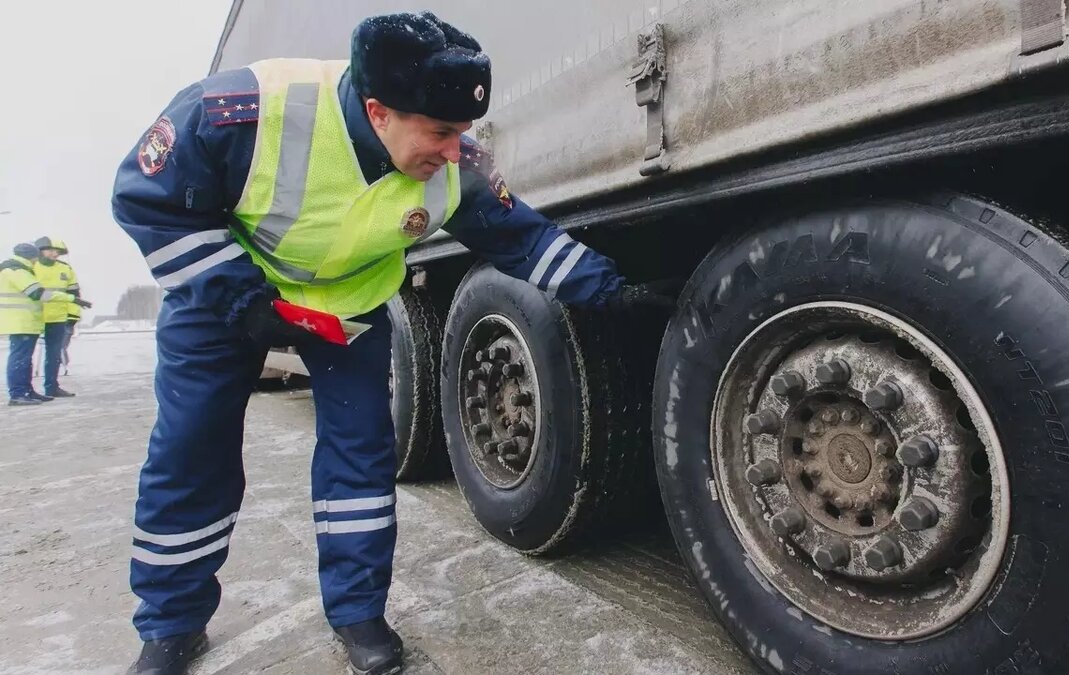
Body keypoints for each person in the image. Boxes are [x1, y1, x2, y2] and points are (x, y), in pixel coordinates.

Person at [112, 12, 671, 675]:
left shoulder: (456, 163)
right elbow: (146, 199)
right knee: (190, 451)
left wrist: (616, 294)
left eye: (462, 132)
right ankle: (172, 624)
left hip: (345, 314)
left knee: (361, 460)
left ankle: (357, 611)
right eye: (440, 132)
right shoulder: (242, 114)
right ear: (378, 111)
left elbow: (524, 240)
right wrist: (244, 303)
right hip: (226, 301)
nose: (455, 149)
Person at [1, 243, 90, 406]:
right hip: (20, 321)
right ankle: (18, 393)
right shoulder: (16, 270)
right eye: (35, 258)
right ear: (31, 256)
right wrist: (71, 298)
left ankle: (27, 391)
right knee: (20, 358)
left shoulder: (17, 269)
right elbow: (37, 293)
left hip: (25, 322)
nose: (36, 261)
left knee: (25, 359)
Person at [33, 237, 80, 397]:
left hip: (58, 319)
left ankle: (52, 387)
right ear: (40, 250)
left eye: (57, 252)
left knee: (54, 355)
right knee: (25, 356)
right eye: (51, 250)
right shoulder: (31, 267)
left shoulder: (65, 269)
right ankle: (25, 390)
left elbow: (74, 294)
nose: (55, 254)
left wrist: (73, 317)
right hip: (34, 318)